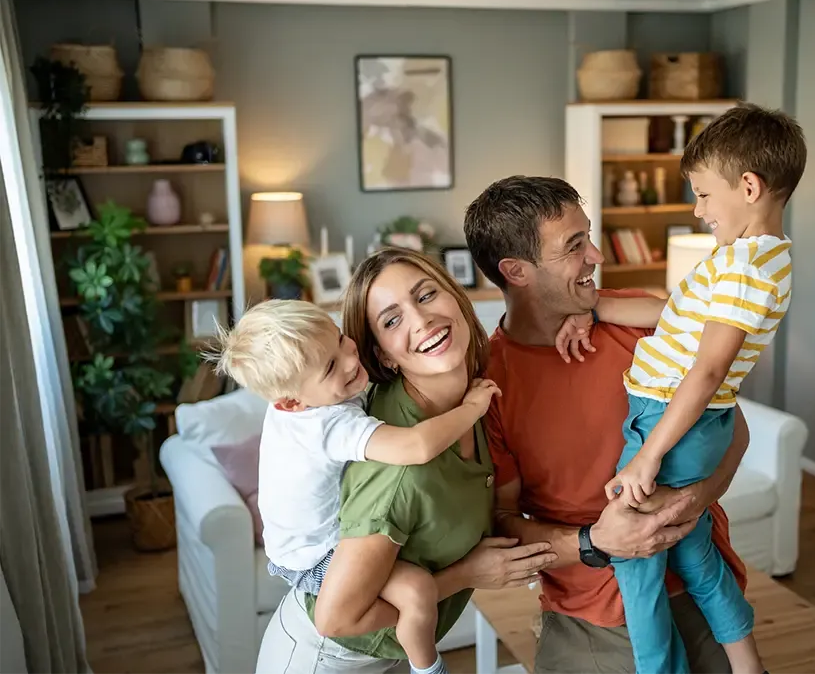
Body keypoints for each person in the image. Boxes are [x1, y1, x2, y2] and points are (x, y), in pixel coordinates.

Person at [553, 103, 806, 674]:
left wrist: (647, 456)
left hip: (673, 420)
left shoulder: (743, 266)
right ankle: (748, 665)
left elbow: (709, 370)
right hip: (691, 421)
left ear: (748, 186)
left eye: (702, 194)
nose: (698, 210)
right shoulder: (756, 257)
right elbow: (669, 311)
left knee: (635, 560)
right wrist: (590, 309)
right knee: (692, 553)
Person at [464, 175, 751, 674]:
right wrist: (596, 542)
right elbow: (502, 524)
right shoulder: (488, 388)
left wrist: (694, 500)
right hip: (589, 616)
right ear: (517, 271)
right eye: (575, 246)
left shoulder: (636, 320)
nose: (596, 256)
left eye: (589, 236)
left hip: (699, 591)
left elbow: (734, 428)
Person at [250, 248, 557, 673]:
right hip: (321, 659)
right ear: (385, 356)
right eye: (392, 320)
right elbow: (335, 617)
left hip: (378, 654)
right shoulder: (393, 466)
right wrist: (468, 573)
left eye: (427, 295)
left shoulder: (466, 391)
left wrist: (580, 314)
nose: (421, 320)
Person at [211, 298, 502, 674]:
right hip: (312, 562)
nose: (351, 359)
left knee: (415, 592)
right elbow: (417, 446)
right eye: (331, 366)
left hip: (292, 553)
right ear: (291, 403)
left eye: (341, 338)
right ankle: (427, 668)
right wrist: (472, 409)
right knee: (416, 593)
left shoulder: (312, 398)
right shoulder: (325, 425)